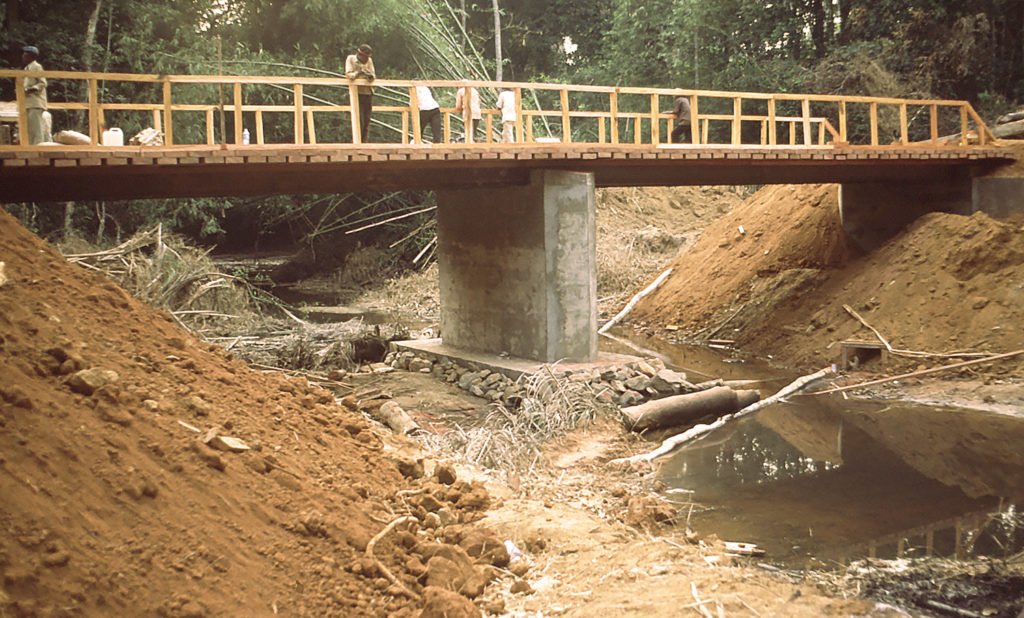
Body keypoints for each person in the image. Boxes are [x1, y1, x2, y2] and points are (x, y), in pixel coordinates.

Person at [345, 44, 375, 142]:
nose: (366, 60)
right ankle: (358, 141)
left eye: (368, 57)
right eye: (365, 57)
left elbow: (373, 75)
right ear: (360, 55)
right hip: (357, 93)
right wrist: (359, 73)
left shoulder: (369, 61)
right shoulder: (351, 59)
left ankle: (364, 142)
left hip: (368, 92)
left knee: (366, 120)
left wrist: (369, 76)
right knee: (359, 119)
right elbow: (349, 74)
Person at [21, 45, 50, 145]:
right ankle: (29, 149)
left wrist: (31, 89)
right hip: (28, 103)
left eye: (25, 55)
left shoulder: (36, 67)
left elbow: (43, 83)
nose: (23, 57)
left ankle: (38, 149)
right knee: (29, 129)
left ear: (31, 56)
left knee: (36, 129)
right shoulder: (26, 68)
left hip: (35, 102)